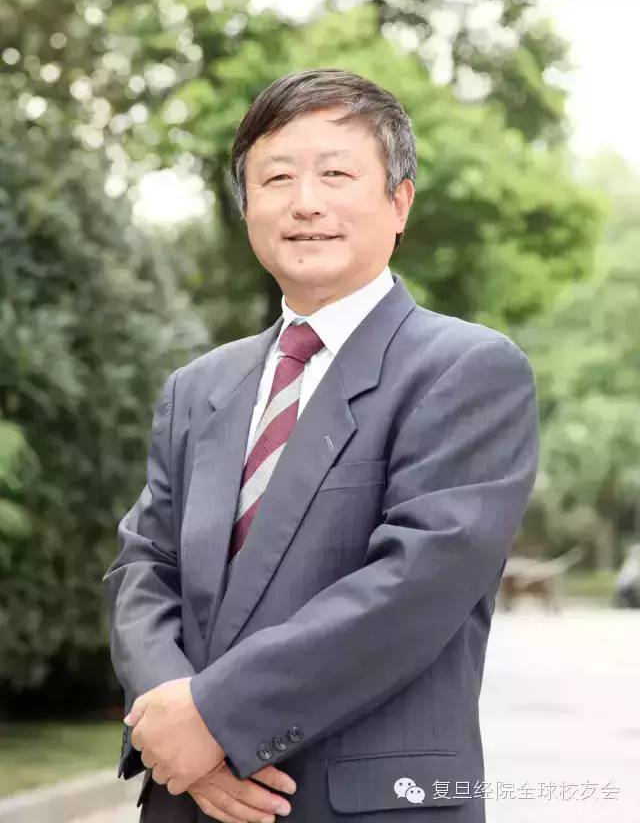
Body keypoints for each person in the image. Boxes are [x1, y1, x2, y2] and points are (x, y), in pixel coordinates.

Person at [103, 68, 540, 823]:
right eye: (276, 178)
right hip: (187, 802)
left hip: (360, 804)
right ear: (248, 207)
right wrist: (172, 723)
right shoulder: (198, 388)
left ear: (399, 202)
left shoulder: (466, 370)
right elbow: (143, 567)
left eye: (336, 174)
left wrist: (213, 720)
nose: (305, 202)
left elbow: (411, 589)